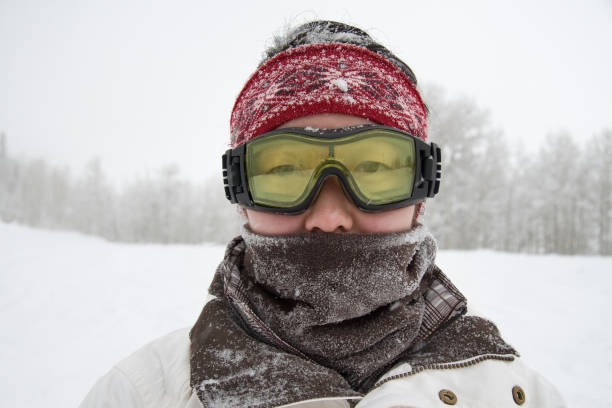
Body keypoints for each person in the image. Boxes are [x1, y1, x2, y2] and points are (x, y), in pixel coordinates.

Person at [80, 21, 566, 408]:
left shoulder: (518, 396)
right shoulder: (141, 395)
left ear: (422, 189)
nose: (329, 216)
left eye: (374, 167)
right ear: (240, 190)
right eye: (286, 169)